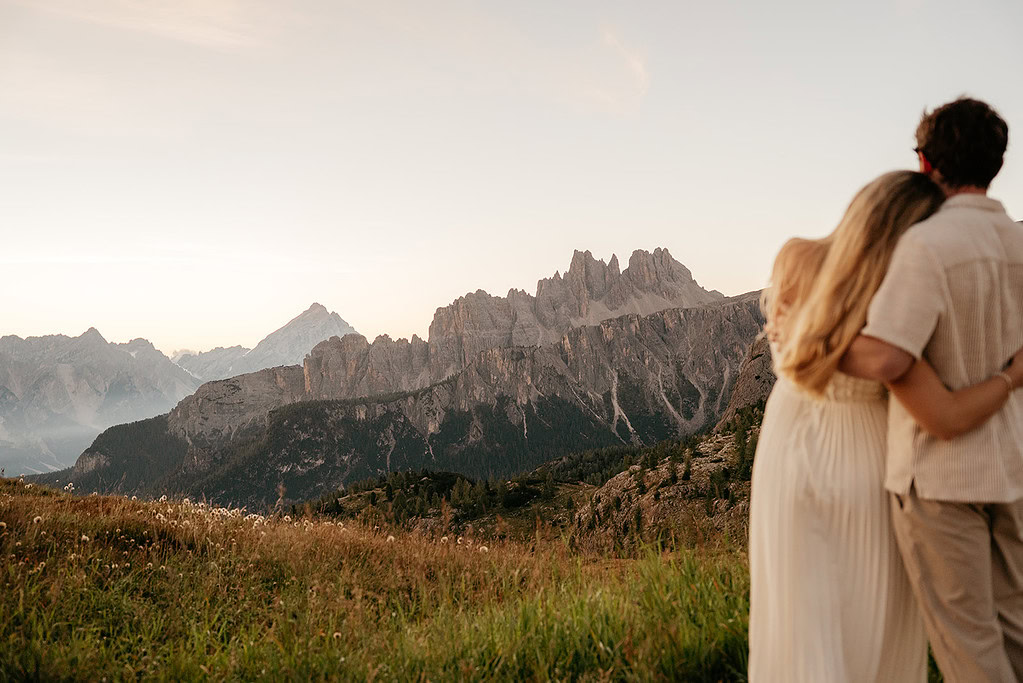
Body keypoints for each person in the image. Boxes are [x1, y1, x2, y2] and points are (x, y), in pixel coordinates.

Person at [748, 168, 1023, 681]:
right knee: (873, 625)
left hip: (790, 458)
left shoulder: (796, 258)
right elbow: (944, 414)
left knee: (803, 623)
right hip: (869, 459)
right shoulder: (894, 303)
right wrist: (1012, 375)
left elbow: (793, 355)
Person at [840, 97, 1023, 681]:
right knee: (1018, 632)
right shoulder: (1019, 243)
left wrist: (818, 339)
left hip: (940, 479)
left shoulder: (927, 246)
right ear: (994, 163)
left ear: (927, 163)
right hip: (1014, 466)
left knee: (969, 649)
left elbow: (891, 354)